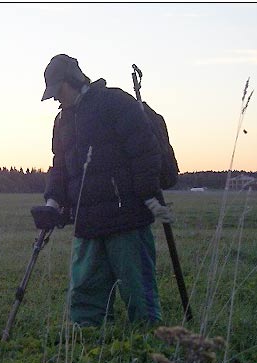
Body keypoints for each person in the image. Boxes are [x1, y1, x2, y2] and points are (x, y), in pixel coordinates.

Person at [40, 54, 173, 327]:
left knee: (138, 291)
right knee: (85, 292)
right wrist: (52, 201)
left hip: (127, 217)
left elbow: (144, 150)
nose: (55, 98)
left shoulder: (114, 102)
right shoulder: (62, 121)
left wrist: (148, 194)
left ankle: (152, 343)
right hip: (87, 222)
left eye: (58, 90)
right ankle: (86, 343)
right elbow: (60, 165)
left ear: (73, 80)